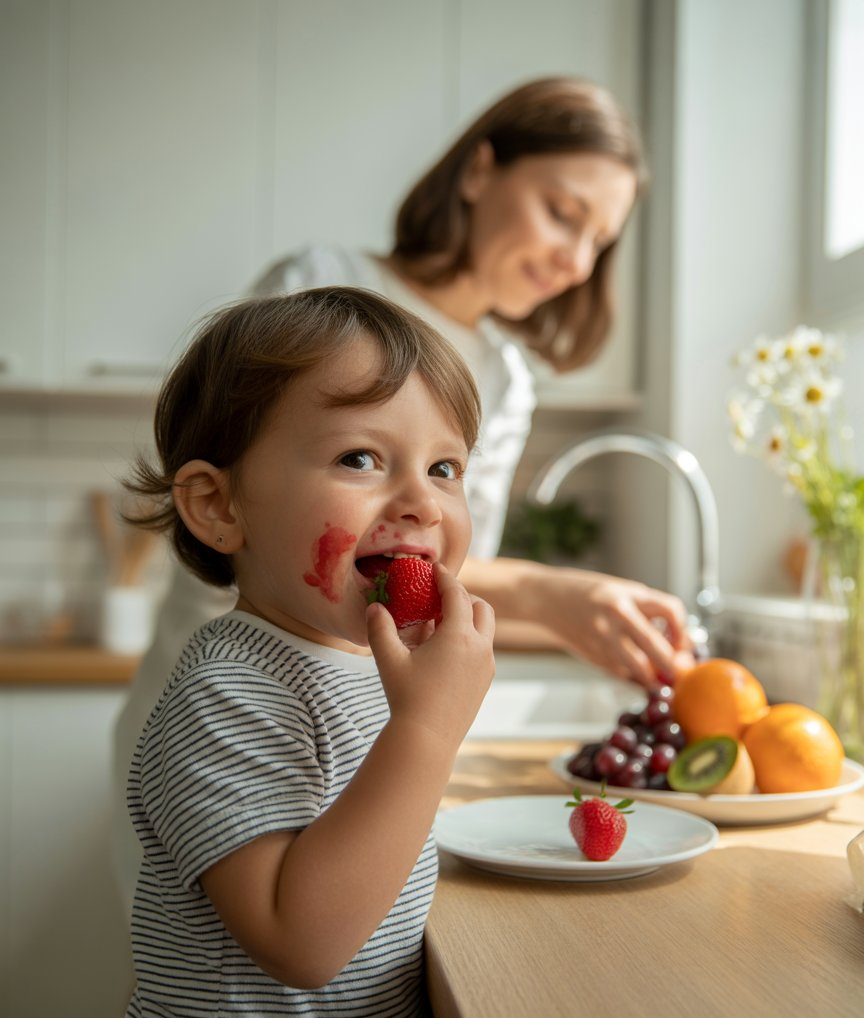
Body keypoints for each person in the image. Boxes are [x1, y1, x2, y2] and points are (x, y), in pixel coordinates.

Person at [112, 75, 694, 914]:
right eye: (564, 212)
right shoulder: (322, 281)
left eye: (599, 240)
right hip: (250, 700)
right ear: (479, 172)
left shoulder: (505, 374)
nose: (576, 260)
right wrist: (540, 595)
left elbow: (415, 563)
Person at [91, 287, 496, 1018]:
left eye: (445, 468)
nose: (422, 502)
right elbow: (301, 940)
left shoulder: (355, 663)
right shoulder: (227, 689)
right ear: (220, 507)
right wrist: (427, 731)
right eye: (360, 458)